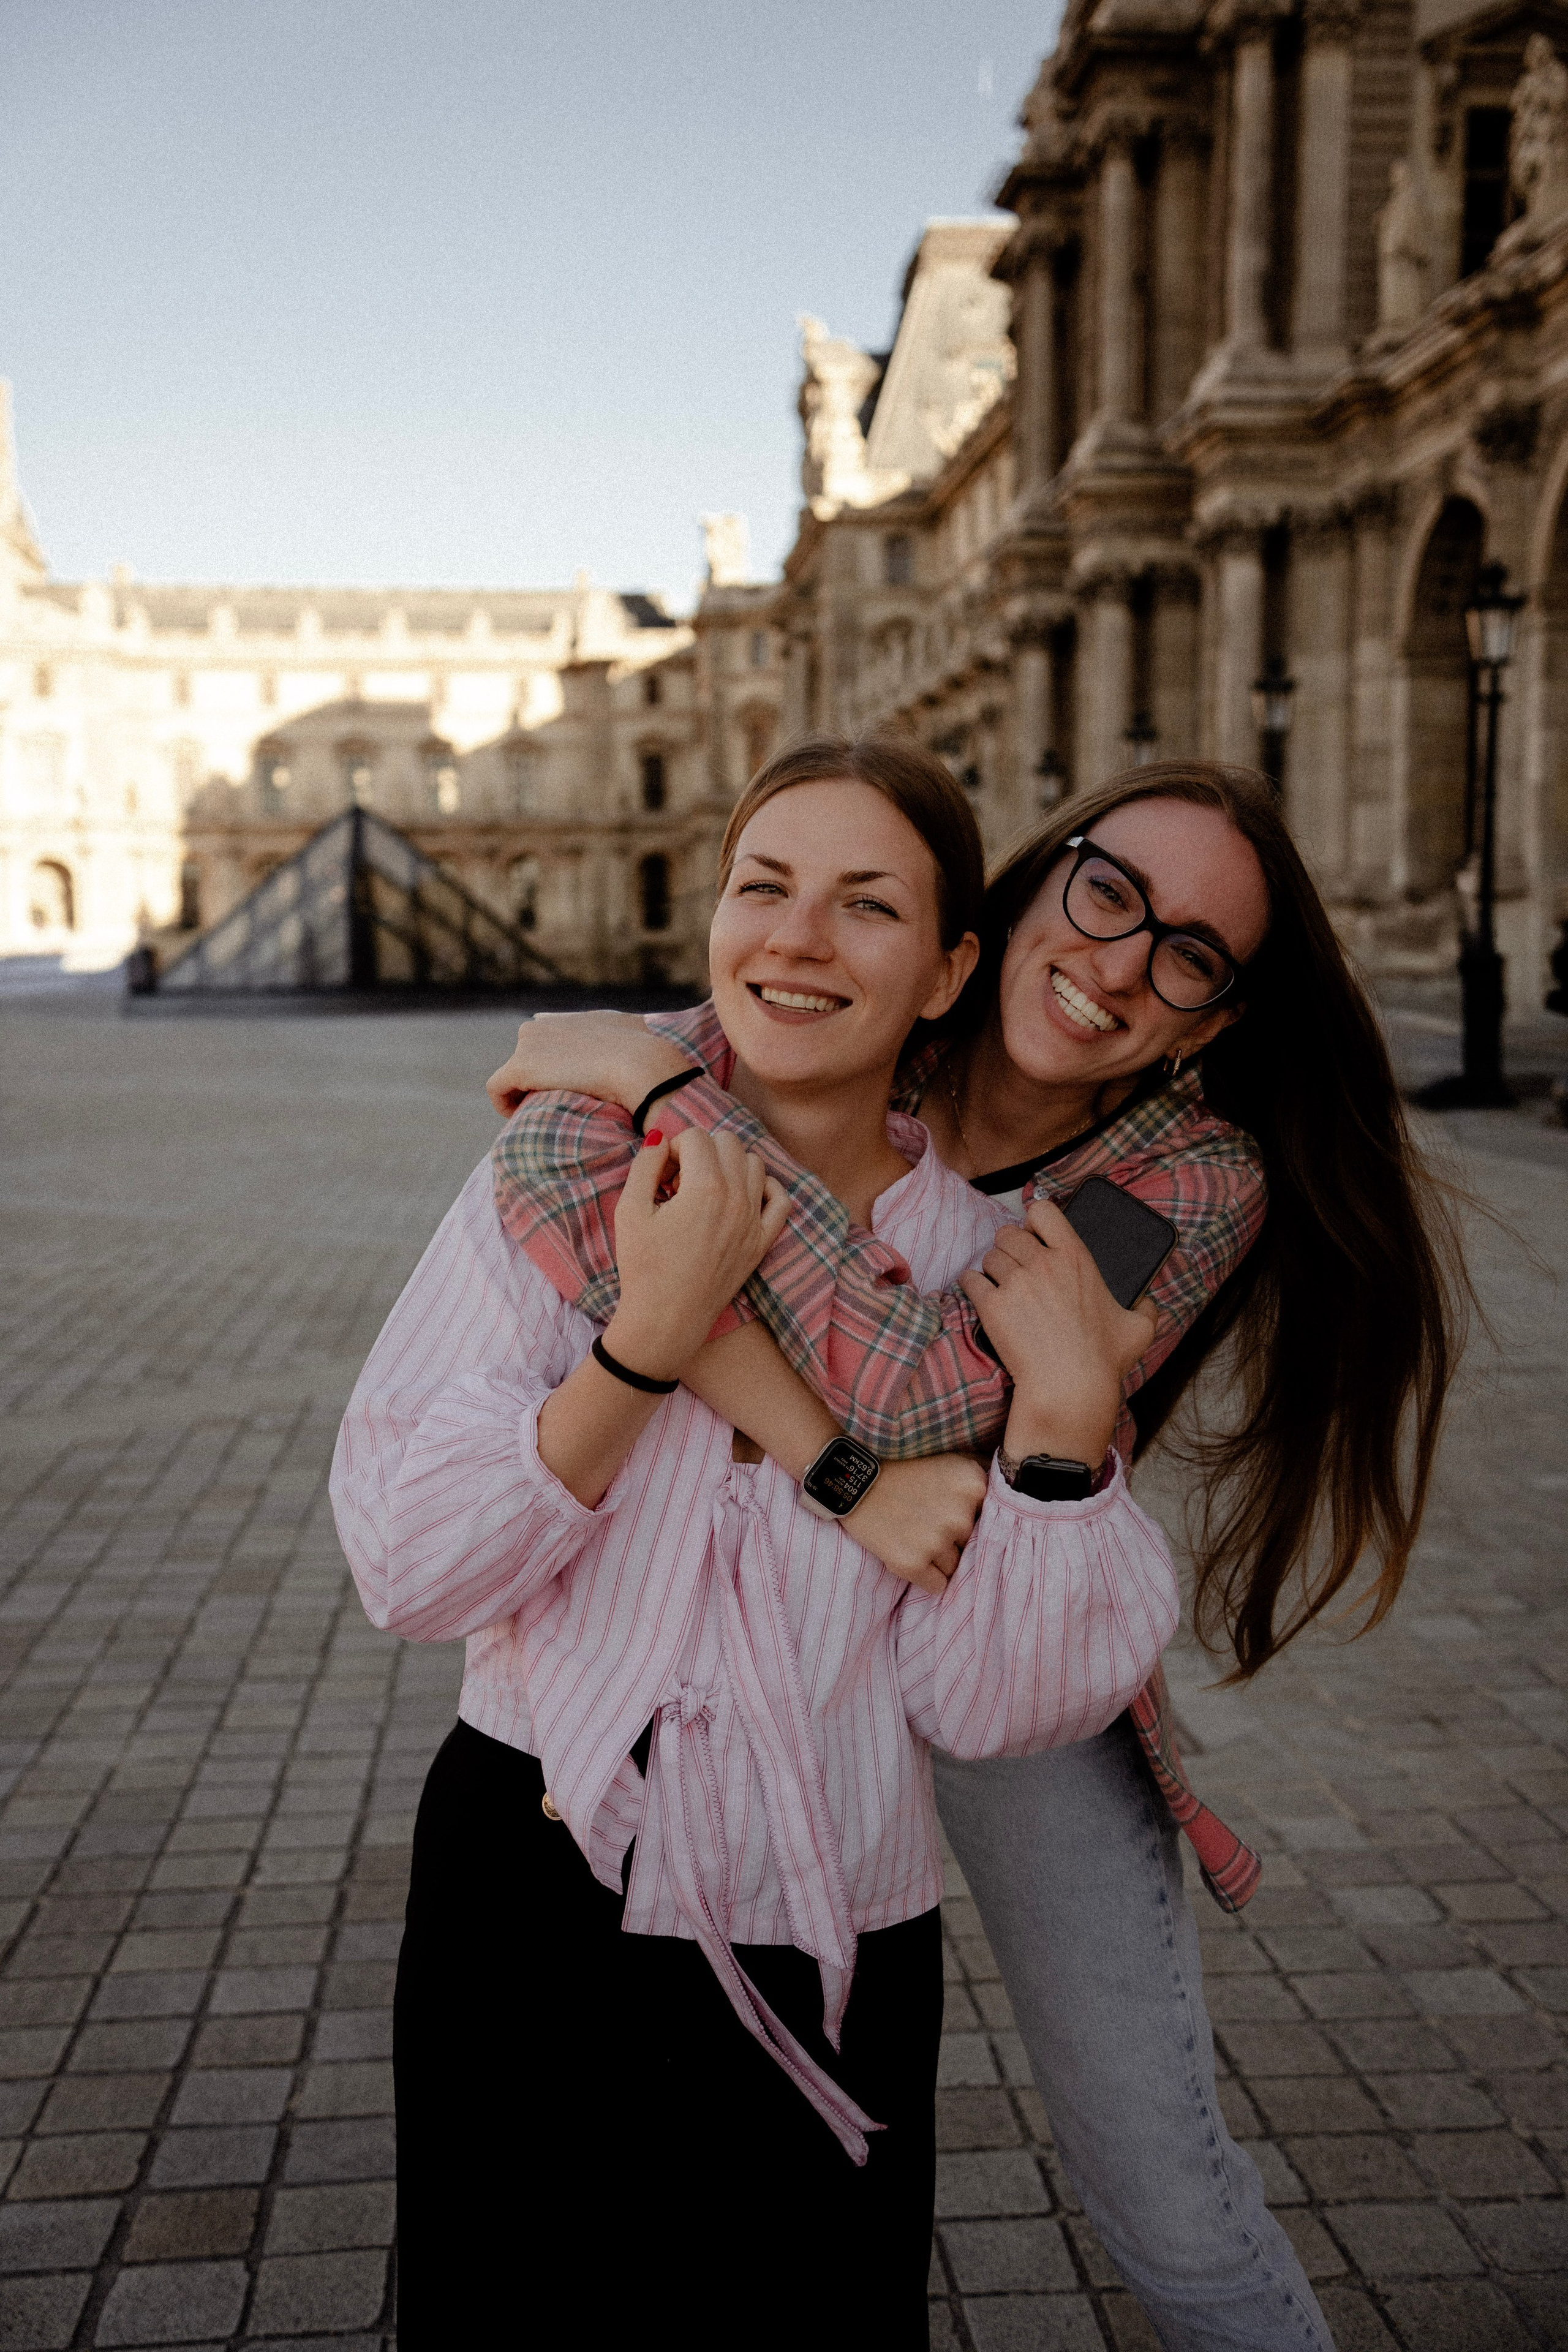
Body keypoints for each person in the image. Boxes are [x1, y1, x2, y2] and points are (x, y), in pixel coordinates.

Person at [485, 745, 1466, 2352]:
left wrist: (668, 1104)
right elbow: (554, 1171)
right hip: (755, 1638)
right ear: (1027, 887)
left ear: (1215, 1018)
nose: (1117, 964)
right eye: (1107, 894)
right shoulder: (872, 1010)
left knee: (1158, 2175)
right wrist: (828, 1453)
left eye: (1190, 955)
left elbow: (932, 1385)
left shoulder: (1187, 1174)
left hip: (988, 1608)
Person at [331, 737, 1185, 2351]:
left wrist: (1063, 1447)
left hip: (833, 1923)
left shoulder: (999, 1275)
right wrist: (642, 1342)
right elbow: (406, 1564)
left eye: (867, 906)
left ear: (947, 974)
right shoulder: (569, 1167)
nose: (796, 940)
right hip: (533, 1884)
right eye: (763, 888)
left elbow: (991, 1698)